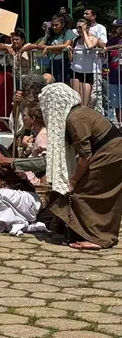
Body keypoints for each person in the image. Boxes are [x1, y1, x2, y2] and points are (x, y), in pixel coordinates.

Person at [39, 83, 122, 250]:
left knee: (81, 193)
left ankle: (97, 237)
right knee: (90, 193)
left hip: (110, 154)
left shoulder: (74, 118)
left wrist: (73, 181)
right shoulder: (80, 112)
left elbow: (85, 156)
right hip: (111, 151)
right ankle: (91, 233)